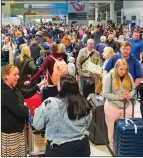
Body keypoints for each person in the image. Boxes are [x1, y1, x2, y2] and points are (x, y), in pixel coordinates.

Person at [33, 74, 92, 157]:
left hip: (59, 149)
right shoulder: (84, 103)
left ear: (60, 87)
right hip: (82, 147)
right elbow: (87, 124)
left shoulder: (50, 104)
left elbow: (37, 125)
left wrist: (37, 112)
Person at [1, 64, 46, 157]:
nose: (18, 77)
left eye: (18, 74)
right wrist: (25, 106)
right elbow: (20, 111)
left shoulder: (14, 86)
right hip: (11, 133)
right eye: (15, 74)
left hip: (19, 130)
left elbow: (25, 93)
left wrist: (40, 85)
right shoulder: (4, 92)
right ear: (6, 75)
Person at [102, 59, 136, 150]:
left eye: (125, 69)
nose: (123, 72)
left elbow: (133, 89)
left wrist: (129, 95)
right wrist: (118, 97)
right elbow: (105, 93)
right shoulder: (109, 77)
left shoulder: (129, 76)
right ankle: (114, 150)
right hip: (112, 106)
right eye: (121, 69)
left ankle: (124, 149)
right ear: (116, 67)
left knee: (127, 129)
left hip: (127, 106)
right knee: (112, 131)